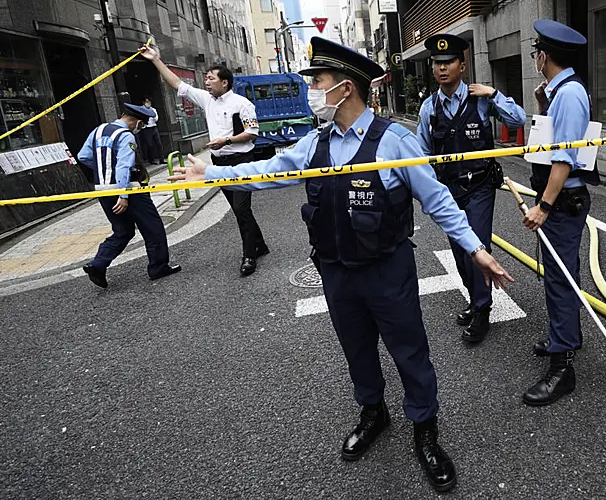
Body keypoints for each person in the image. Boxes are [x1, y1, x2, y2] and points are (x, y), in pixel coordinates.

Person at [169, 37, 514, 492]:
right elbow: (267, 172)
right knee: (357, 350)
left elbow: (440, 202)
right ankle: (374, 411)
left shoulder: (396, 142)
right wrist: (210, 174)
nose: (312, 89)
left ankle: (425, 429)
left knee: (409, 352)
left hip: (388, 271)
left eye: (318, 81)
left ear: (345, 88)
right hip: (335, 270)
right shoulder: (314, 144)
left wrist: (476, 249)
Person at [417, 33, 526, 343]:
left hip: (479, 186)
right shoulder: (430, 108)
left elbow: (518, 121)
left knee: (475, 246)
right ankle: (474, 298)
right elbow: (423, 154)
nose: (441, 68)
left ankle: (482, 309)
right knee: (459, 251)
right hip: (448, 190)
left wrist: (495, 94)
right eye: (437, 63)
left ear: (462, 66)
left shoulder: (480, 99)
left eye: (448, 62)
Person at [520, 20, 600, 407]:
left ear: (544, 55)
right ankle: (565, 338)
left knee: (560, 280)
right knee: (560, 275)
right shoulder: (558, 94)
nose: (535, 57)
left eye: (536, 51)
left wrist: (543, 206)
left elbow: (564, 159)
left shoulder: (569, 95)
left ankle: (562, 367)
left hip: (563, 203)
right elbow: (549, 139)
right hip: (561, 201)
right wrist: (540, 105)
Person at [141, 44, 269, 276]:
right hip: (219, 163)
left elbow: (252, 133)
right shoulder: (207, 99)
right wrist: (156, 60)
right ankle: (259, 245)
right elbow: (177, 84)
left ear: (225, 83)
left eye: (211, 78)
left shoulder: (242, 104)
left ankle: (249, 255)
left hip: (242, 161)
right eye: (206, 78)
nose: (206, 82)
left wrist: (226, 141)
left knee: (241, 208)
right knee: (238, 209)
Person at [77, 103, 181, 288]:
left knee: (122, 230)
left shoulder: (98, 130)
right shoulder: (126, 136)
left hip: (103, 189)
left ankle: (98, 264)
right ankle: (158, 267)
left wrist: (104, 170)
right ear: (138, 122)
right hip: (129, 190)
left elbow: (83, 156)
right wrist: (123, 195)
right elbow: (124, 166)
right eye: (141, 126)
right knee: (153, 227)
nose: (139, 129)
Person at [139, 96, 162, 165]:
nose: (148, 103)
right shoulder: (141, 109)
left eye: (149, 101)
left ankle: (161, 159)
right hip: (146, 129)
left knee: (158, 144)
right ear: (143, 102)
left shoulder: (153, 109)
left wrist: (151, 113)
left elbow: (156, 119)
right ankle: (151, 160)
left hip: (154, 127)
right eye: (146, 101)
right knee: (150, 145)